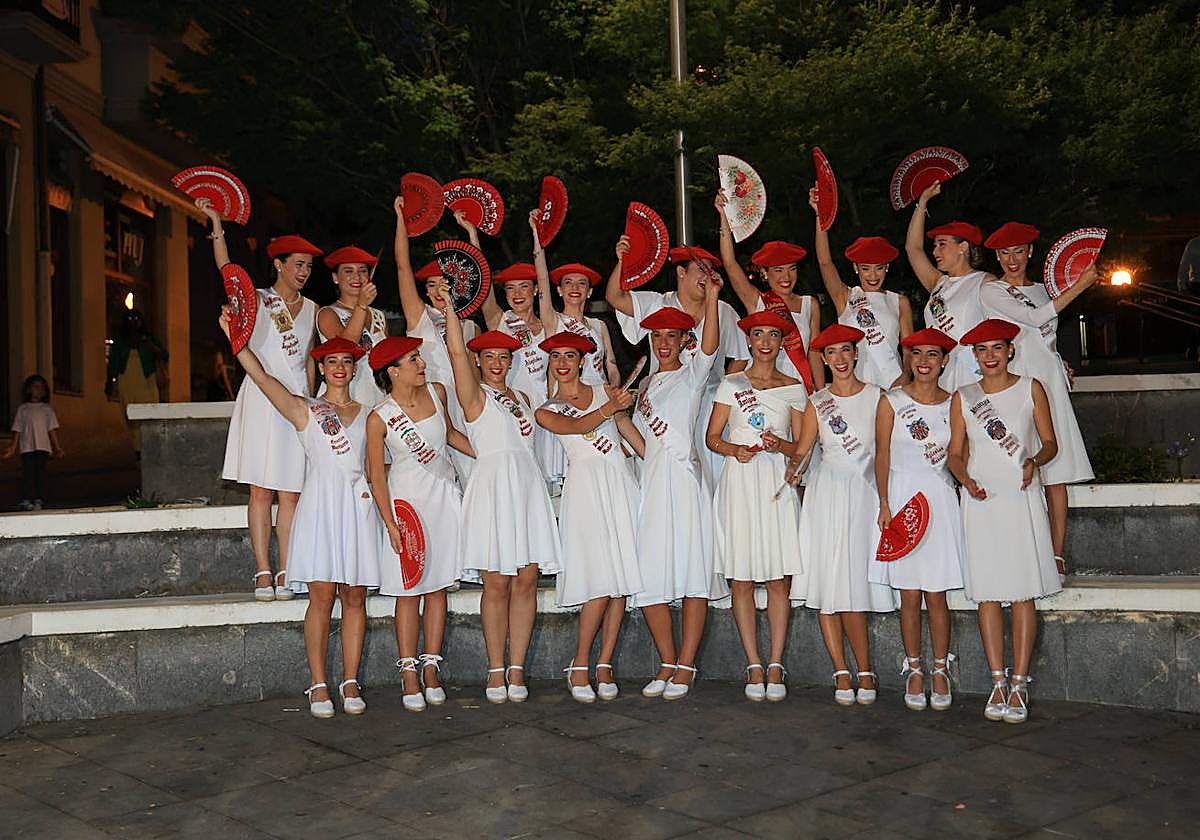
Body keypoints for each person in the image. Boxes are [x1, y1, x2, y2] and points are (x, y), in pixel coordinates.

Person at [218, 313, 382, 720]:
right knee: (322, 597)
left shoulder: (371, 413)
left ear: (354, 367)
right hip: (321, 508)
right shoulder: (306, 409)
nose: (340, 368)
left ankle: (350, 679)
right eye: (332, 362)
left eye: (347, 362)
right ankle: (318, 681)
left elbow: (380, 468)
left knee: (355, 596)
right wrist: (235, 338)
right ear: (321, 368)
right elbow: (261, 378)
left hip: (357, 510)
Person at [441, 297, 562, 704]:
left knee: (526, 579)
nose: (496, 362)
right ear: (478, 361)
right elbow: (457, 351)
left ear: (511, 361)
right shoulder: (473, 398)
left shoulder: (524, 400)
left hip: (526, 488)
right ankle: (495, 668)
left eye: (502, 356)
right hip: (493, 489)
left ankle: (517, 667)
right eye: (488, 356)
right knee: (496, 582)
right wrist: (452, 311)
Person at [202, 196, 321, 603]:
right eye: (297, 264)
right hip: (259, 398)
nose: (303, 272)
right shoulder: (255, 299)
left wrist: (312, 400)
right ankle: (262, 569)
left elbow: (308, 361)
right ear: (279, 264)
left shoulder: (313, 310)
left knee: (291, 492)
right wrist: (217, 224)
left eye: (308, 266)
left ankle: (287, 567)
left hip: (294, 404)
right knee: (260, 492)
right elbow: (226, 270)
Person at [948, 318, 1059, 725]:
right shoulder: (964, 396)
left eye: (997, 348)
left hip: (1019, 490)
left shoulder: (1031, 388)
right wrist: (965, 480)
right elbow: (955, 453)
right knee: (989, 592)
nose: (990, 356)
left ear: (1010, 350)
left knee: (1022, 590)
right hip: (981, 497)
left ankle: (1020, 680)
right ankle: (997, 680)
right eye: (982, 350)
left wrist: (1034, 461)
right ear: (974, 356)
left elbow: (1050, 443)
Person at [981, 222, 1097, 581]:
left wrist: (1058, 361)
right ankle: (1018, 551)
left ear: (1031, 252)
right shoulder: (992, 291)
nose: (1011, 259)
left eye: (1018, 251)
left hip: (1049, 383)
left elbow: (1043, 335)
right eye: (1004, 253)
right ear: (996, 256)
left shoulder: (1042, 288)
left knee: (1056, 472)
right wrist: (1080, 286)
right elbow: (1033, 318)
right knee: (1016, 465)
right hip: (1015, 386)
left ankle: (1056, 555)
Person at [632, 278, 729, 701]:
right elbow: (642, 443)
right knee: (649, 576)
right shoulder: (645, 387)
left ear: (683, 339)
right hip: (652, 485)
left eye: (672, 335)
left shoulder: (692, 377)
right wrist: (617, 416)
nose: (664, 343)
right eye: (657, 335)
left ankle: (687, 664)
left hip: (685, 483)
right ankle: (667, 661)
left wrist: (711, 297)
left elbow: (709, 347)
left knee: (693, 574)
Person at [365, 334, 472, 713]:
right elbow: (376, 475)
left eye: (419, 357)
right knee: (409, 590)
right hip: (407, 505)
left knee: (438, 586)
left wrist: (487, 454)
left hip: (443, 498)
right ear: (392, 371)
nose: (421, 363)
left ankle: (431, 666)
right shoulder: (379, 417)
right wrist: (390, 523)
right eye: (412, 359)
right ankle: (408, 669)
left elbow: (452, 437)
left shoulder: (438, 393)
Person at [535, 332, 644, 703]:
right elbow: (579, 428)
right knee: (598, 581)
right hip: (584, 491)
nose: (563, 363)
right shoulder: (547, 409)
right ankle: (579, 663)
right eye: (556, 357)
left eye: (571, 356)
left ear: (583, 361)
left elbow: (631, 436)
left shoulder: (605, 392)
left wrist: (664, 466)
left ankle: (605, 663)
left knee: (618, 581)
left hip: (619, 484)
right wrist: (610, 408)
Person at [791, 324, 896, 706]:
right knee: (827, 581)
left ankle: (865, 669)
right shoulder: (817, 401)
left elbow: (884, 454)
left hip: (864, 495)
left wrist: (885, 501)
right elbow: (803, 448)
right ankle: (840, 670)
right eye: (830, 353)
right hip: (827, 492)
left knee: (852, 582)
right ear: (824, 359)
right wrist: (790, 465)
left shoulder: (877, 397)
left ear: (856, 354)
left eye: (845, 351)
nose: (838, 359)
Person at [706, 311, 806, 702]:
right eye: (758, 334)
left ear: (782, 342)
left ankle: (777, 661)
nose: (765, 341)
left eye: (773, 335)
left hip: (774, 484)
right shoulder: (731, 384)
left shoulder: (794, 388)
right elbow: (713, 437)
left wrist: (779, 446)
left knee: (779, 578)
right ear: (748, 341)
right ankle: (753, 662)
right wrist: (736, 449)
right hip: (741, 481)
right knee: (742, 578)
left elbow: (801, 447)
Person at [873, 328, 965, 711]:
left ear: (944, 360)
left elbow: (960, 453)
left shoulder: (955, 402)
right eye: (917, 354)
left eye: (932, 354)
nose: (924, 362)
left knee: (937, 593)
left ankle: (941, 668)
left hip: (940, 500)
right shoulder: (892, 401)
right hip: (901, 497)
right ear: (908, 360)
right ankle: (913, 668)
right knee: (909, 594)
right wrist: (883, 503)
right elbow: (881, 455)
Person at [607, 242, 749, 486]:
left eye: (711, 271)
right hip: (663, 402)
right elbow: (614, 297)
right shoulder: (658, 304)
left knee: (708, 476)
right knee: (658, 472)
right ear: (681, 273)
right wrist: (622, 260)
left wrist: (723, 394)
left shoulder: (723, 311)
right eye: (701, 270)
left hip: (708, 406)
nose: (707, 276)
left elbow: (742, 356)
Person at [393, 196, 480, 479]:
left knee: (474, 475)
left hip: (467, 404)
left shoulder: (468, 324)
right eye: (431, 284)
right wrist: (401, 221)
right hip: (430, 404)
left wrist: (471, 235)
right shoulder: (420, 316)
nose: (437, 289)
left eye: (444, 282)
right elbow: (402, 267)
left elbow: (479, 275)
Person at [479, 211, 561, 481]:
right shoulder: (500, 320)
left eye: (524, 287)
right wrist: (472, 235)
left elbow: (545, 281)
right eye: (510, 289)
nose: (516, 294)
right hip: (512, 410)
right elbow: (483, 283)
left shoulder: (549, 325)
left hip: (547, 409)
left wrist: (537, 235)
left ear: (535, 290)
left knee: (549, 477)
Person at [716, 190, 821, 390]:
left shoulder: (810, 304)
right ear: (765, 273)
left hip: (801, 391)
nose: (786, 277)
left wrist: (821, 393)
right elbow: (729, 263)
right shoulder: (757, 301)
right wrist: (724, 217)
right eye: (778, 270)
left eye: (792, 269)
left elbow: (813, 353)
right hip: (764, 389)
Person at [810, 186, 912, 389]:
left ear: (887, 268)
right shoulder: (845, 297)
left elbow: (908, 349)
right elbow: (824, 262)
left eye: (879, 268)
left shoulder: (899, 301)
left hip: (895, 385)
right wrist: (819, 215)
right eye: (866, 268)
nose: (873, 276)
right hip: (855, 387)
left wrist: (906, 376)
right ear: (856, 268)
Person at [904, 182, 994, 391]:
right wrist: (922, 202)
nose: (935, 251)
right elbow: (913, 248)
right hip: (940, 373)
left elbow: (1013, 328)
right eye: (934, 245)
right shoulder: (938, 283)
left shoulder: (985, 282)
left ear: (963, 247)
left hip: (973, 374)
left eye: (942, 244)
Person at [317, 245, 389, 406]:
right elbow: (345, 347)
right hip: (345, 398)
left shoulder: (379, 315)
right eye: (348, 271)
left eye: (363, 271)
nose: (357, 276)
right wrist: (361, 306)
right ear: (335, 277)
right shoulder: (328, 313)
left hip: (379, 396)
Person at [106, 308, 168, 454]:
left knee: (148, 412)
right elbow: (113, 363)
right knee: (130, 415)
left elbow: (164, 355)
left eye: (137, 319)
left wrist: (151, 347)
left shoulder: (149, 338)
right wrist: (109, 382)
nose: (134, 322)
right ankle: (137, 448)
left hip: (147, 380)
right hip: (127, 380)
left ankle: (149, 444)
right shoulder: (120, 341)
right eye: (130, 319)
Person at [5, 374, 63, 511]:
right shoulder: (23, 409)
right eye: (36, 387)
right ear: (28, 390)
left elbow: (51, 430)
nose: (39, 390)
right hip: (27, 447)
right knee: (28, 474)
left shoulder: (47, 409)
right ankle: (27, 499)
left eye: (42, 388)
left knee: (40, 474)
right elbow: (18, 429)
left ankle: (39, 499)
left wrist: (57, 448)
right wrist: (13, 448)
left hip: (42, 447)